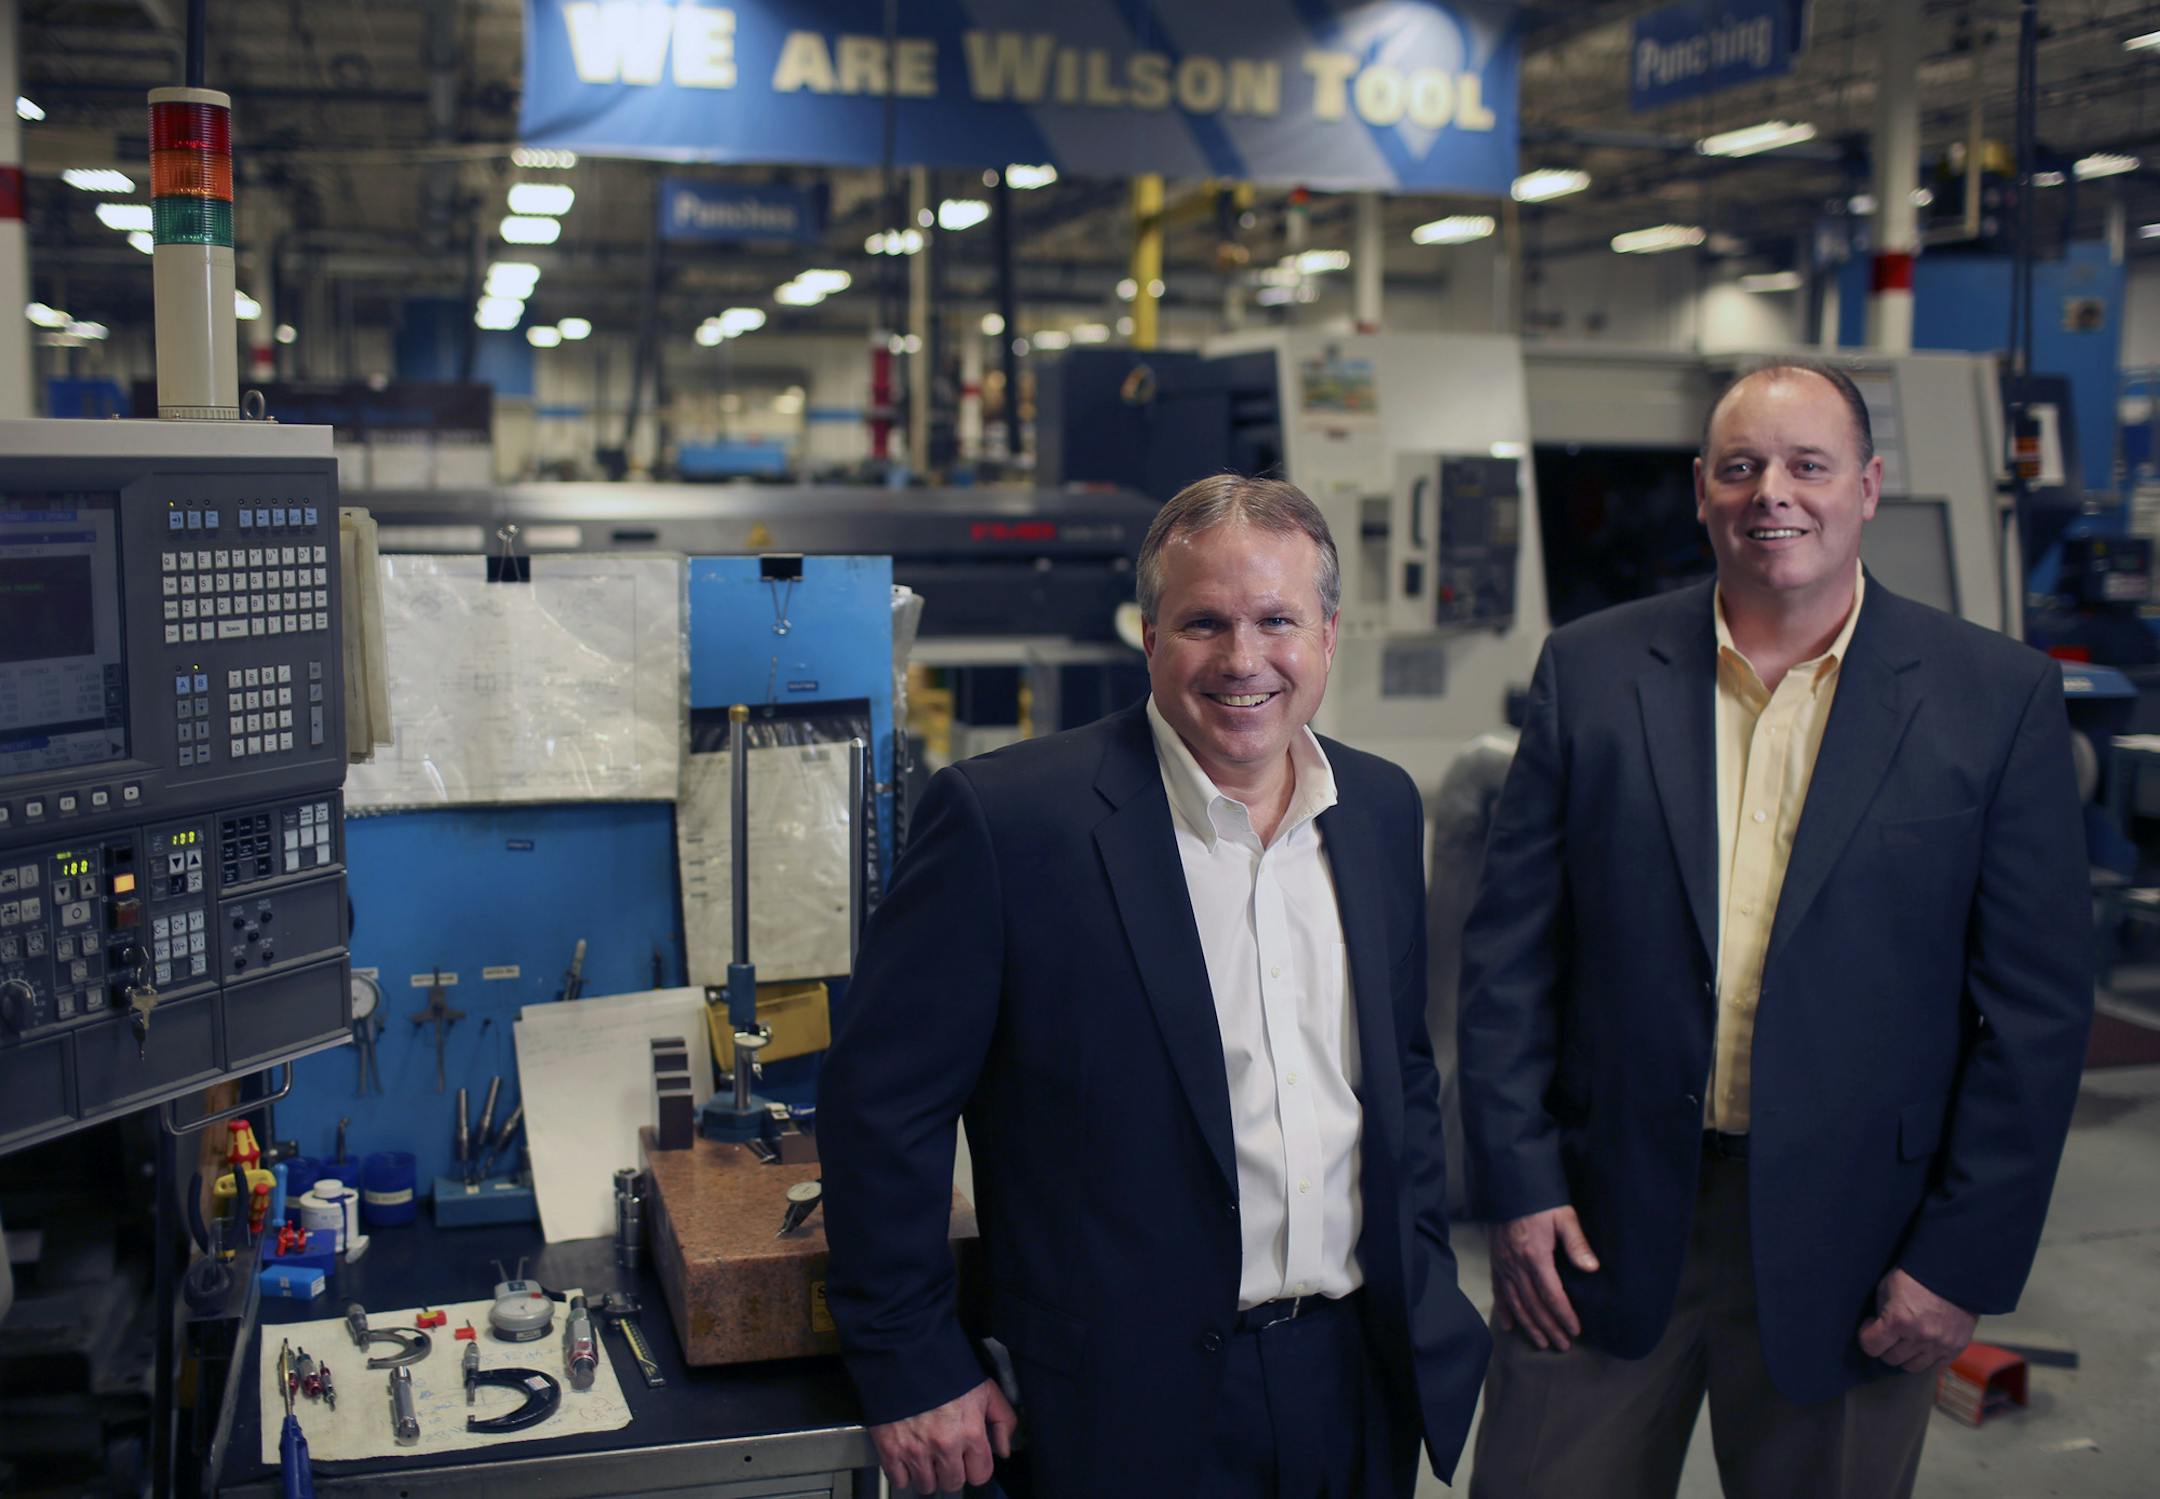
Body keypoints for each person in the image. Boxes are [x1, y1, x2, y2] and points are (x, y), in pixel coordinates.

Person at [1456, 358, 2093, 1499]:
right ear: (1701, 488)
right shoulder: (1592, 673)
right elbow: (1511, 955)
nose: (1773, 493)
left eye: (1809, 464)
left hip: (1861, 1245)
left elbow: (2037, 1017)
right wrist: (1516, 1181)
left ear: (1868, 485)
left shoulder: (1991, 698)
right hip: (1597, 1226)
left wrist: (1958, 1258)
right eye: (1742, 466)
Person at [819, 474, 1490, 1498]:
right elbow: (884, 1106)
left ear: (1329, 635)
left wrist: (1425, 1268)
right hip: (1123, 1403)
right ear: (1148, 637)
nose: (1243, 658)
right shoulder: (1012, 824)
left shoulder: (1382, 809)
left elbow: (1398, 1070)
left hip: (1354, 1376)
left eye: (1278, 620)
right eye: (1204, 622)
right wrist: (914, 1363)